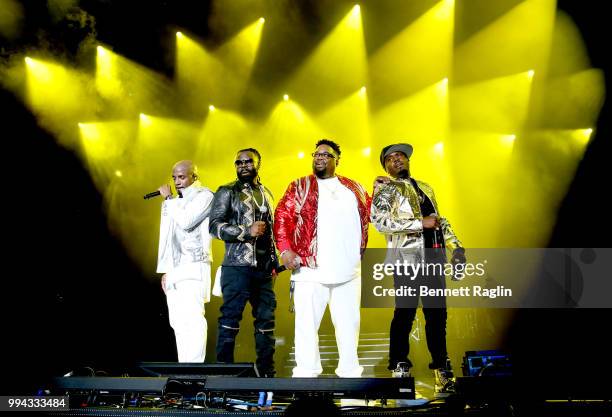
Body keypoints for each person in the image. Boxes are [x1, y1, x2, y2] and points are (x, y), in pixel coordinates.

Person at [370, 143, 466, 396]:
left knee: (437, 316)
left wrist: (456, 247)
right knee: (405, 313)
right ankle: (399, 366)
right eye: (390, 159)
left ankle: (441, 371)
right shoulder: (386, 189)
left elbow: (439, 220)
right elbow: (379, 222)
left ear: (408, 160)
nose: (397, 160)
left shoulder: (426, 187)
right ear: (386, 167)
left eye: (400, 156)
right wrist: (418, 223)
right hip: (406, 260)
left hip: (434, 259)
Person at [274, 139, 371, 378]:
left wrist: (381, 192)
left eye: (325, 155)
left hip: (349, 270)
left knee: (349, 327)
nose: (319, 158)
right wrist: (285, 250)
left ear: (337, 159)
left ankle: (350, 373)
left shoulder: (354, 188)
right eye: (316, 154)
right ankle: (306, 375)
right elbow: (282, 217)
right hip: (309, 269)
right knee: (306, 327)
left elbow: (372, 215)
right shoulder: (299, 185)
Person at [209, 148, 278, 377]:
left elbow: (273, 232)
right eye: (239, 162)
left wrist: (274, 262)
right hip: (236, 266)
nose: (243, 165)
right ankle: (223, 376)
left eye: (248, 161)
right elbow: (214, 226)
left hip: (264, 269)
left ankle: (267, 374)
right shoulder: (227, 191)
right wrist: (245, 231)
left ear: (258, 163)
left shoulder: (267, 193)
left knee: (266, 321)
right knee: (230, 319)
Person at [156, 160, 214, 362]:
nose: (177, 181)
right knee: (178, 322)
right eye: (174, 177)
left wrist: (169, 199)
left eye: (181, 177)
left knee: (193, 319)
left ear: (194, 177)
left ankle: (195, 369)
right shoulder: (176, 201)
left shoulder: (204, 195)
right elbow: (168, 237)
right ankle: (184, 370)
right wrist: (167, 270)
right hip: (176, 270)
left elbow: (187, 221)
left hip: (194, 266)